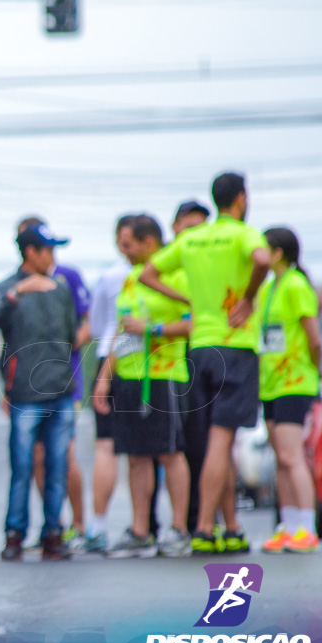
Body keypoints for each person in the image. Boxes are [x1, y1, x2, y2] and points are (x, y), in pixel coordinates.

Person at [140, 172, 270, 554]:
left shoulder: (193, 238)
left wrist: (186, 299)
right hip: (235, 346)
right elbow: (262, 259)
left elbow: (149, 273)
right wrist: (248, 297)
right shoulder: (242, 234)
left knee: (219, 440)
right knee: (221, 440)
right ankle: (203, 527)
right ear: (241, 200)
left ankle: (230, 526)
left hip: (198, 349)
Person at [93, 214, 193, 558]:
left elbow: (195, 324)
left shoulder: (178, 275)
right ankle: (140, 531)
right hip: (129, 377)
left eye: (128, 244)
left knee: (170, 452)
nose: (123, 251)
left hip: (166, 376)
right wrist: (105, 376)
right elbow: (122, 330)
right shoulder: (131, 279)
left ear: (149, 242)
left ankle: (178, 529)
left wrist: (153, 330)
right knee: (136, 456)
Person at [0, 224, 78, 561]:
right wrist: (19, 292)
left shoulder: (61, 289)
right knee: (22, 466)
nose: (53, 257)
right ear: (31, 253)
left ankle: (54, 533)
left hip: (61, 388)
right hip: (24, 391)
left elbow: (71, 334)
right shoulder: (7, 287)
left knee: (57, 466)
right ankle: (15, 535)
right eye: (48, 250)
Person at [16, 217, 90, 548]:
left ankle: (77, 524)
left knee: (65, 456)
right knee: (34, 459)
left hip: (64, 378)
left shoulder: (67, 278)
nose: (51, 255)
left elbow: (86, 325)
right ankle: (52, 523)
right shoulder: (17, 286)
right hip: (28, 385)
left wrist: (61, 348)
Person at [258, 227, 321, 553]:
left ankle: (307, 529)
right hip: (269, 383)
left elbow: (314, 338)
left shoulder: (296, 285)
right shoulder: (269, 287)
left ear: (278, 252)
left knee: (292, 455)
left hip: (294, 382)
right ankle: (288, 525)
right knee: (280, 458)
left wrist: (314, 369)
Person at [80, 215, 136, 553]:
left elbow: (99, 326)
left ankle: (98, 527)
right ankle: (153, 528)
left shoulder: (111, 277)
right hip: (156, 361)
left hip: (110, 359)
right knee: (152, 452)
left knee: (107, 446)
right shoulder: (170, 274)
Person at [170, 199, 210, 534]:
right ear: (175, 228)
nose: (194, 235)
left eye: (201, 229)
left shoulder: (205, 268)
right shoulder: (168, 267)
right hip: (165, 368)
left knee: (199, 444)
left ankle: (197, 521)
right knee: (161, 450)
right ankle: (159, 526)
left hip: (201, 362)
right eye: (189, 227)